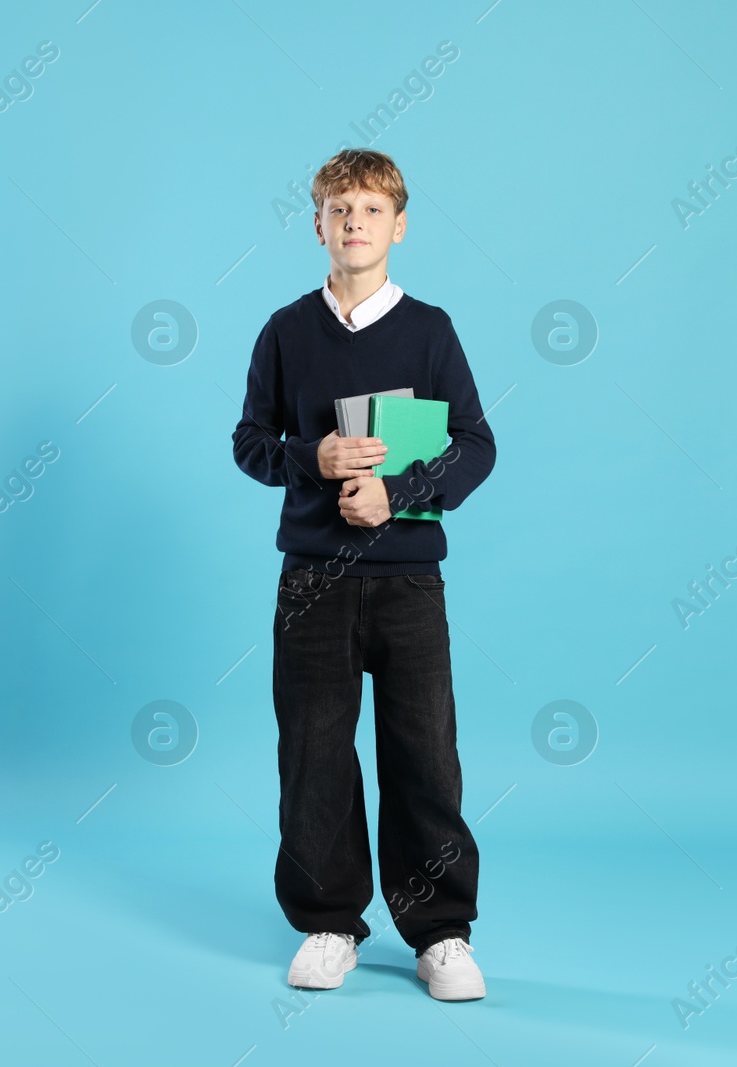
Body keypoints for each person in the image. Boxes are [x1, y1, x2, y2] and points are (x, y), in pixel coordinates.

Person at [231, 148, 497, 1001]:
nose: (355, 223)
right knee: (314, 750)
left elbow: (476, 443)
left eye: (372, 210)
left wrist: (401, 493)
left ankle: (441, 930)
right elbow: (249, 444)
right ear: (317, 224)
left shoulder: (431, 330)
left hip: (409, 579)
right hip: (311, 578)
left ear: (399, 225)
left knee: (424, 752)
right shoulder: (284, 331)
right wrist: (313, 456)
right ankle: (328, 920)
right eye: (340, 209)